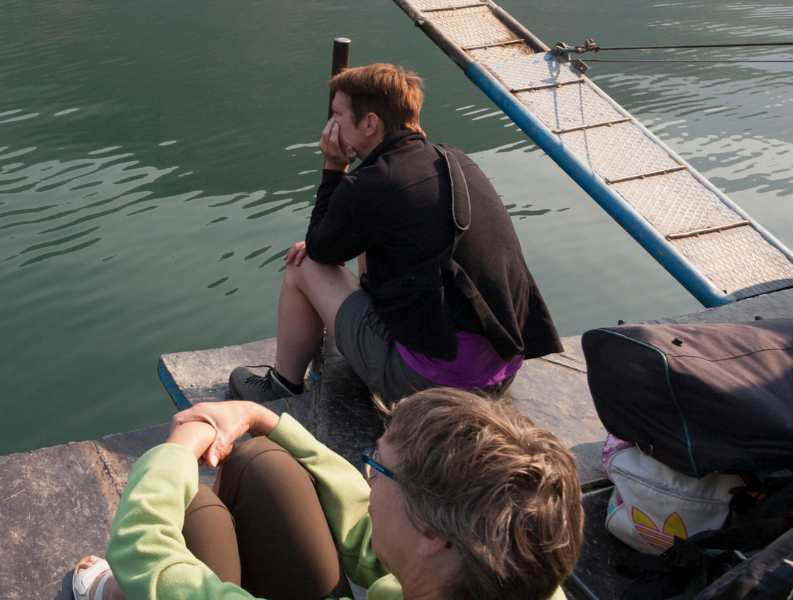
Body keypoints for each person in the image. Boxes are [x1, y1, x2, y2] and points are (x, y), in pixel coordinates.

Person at [70, 390, 583, 600]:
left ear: (433, 532)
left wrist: (178, 447)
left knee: (192, 517)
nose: (367, 476)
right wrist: (263, 419)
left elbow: (145, 554)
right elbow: (372, 535)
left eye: (379, 468)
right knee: (267, 466)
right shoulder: (533, 589)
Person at [230, 63, 560, 405]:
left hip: (429, 388)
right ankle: (379, 345)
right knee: (374, 237)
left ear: (370, 123)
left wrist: (334, 168)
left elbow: (318, 250)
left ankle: (282, 386)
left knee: (303, 266)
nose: (330, 126)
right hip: (499, 374)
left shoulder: (370, 186)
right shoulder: (455, 160)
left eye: (338, 115)